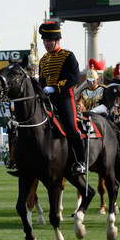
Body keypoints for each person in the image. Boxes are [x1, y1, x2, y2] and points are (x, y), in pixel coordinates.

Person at [38, 21, 86, 175]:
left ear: (57, 40)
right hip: (48, 99)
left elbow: (73, 77)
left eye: (49, 41)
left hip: (64, 97)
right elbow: (42, 80)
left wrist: (56, 87)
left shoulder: (67, 56)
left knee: (71, 128)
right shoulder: (43, 59)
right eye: (44, 41)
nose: (46, 44)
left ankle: (81, 161)